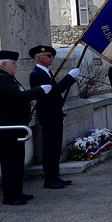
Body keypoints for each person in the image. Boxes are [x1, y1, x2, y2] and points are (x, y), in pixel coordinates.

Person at [0, 50, 50, 205]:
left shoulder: (6, 77)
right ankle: (10, 196)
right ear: (4, 64)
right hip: (6, 128)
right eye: (13, 64)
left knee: (17, 163)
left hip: (14, 127)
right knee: (10, 164)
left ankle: (17, 192)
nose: (16, 66)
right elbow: (17, 97)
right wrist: (40, 90)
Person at [28, 45, 79, 189]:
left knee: (56, 147)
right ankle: (49, 178)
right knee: (50, 147)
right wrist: (69, 78)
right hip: (47, 114)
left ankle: (55, 176)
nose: (52, 58)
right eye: (49, 56)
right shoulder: (36, 74)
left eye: (52, 55)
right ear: (39, 58)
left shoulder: (47, 72)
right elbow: (51, 92)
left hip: (55, 113)